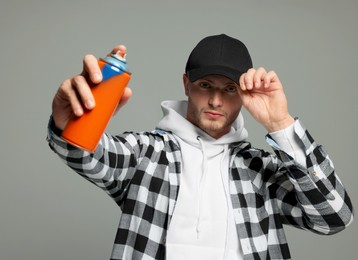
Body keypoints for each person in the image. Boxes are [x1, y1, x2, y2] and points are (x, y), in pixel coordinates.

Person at [47, 34, 353, 260]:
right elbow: (84, 152)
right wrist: (68, 122)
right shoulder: (146, 154)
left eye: (230, 89)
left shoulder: (261, 170)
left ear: (244, 95)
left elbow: (334, 217)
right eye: (206, 85)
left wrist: (281, 124)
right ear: (186, 84)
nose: (216, 101)